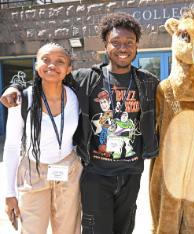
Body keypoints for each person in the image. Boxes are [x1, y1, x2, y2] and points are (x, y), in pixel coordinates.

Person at [1, 12, 159, 234]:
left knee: (124, 229)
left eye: (129, 43)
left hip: (131, 173)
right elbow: (49, 77)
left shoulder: (148, 82)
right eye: (115, 42)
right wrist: (15, 86)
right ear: (105, 45)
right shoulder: (87, 78)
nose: (122, 48)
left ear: (137, 46)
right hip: (95, 173)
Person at [3, 43, 82, 233]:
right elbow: (12, 147)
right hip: (33, 172)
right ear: (36, 65)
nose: (52, 65)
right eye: (45, 60)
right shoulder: (21, 99)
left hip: (68, 171)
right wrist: (9, 193)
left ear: (69, 69)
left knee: (68, 230)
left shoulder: (77, 97)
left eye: (60, 61)